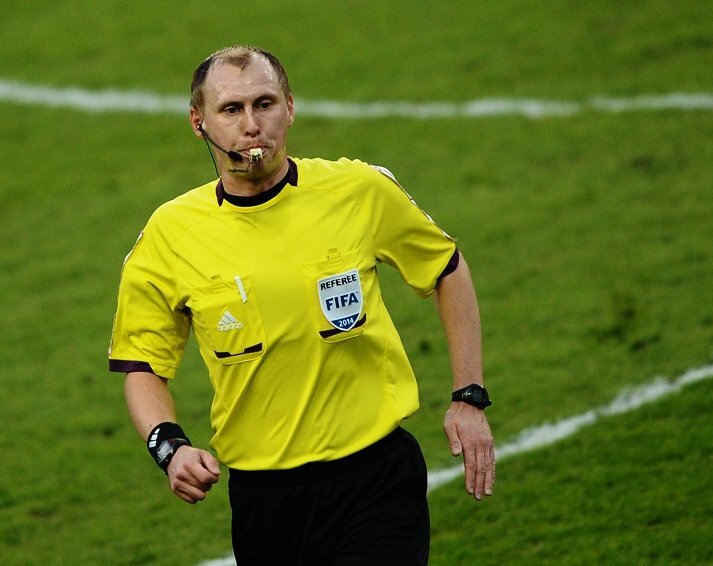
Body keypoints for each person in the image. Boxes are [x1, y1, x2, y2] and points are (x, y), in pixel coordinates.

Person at [108, 45, 495, 564]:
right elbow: (142, 363)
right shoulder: (170, 235)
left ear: (290, 108)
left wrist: (469, 396)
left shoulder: (356, 190)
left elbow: (446, 268)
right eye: (231, 109)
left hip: (376, 480)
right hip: (265, 504)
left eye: (264, 104)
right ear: (198, 123)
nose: (252, 125)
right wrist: (169, 447)